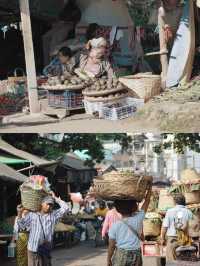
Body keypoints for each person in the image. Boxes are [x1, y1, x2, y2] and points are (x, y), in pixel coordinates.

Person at [17, 192, 69, 266]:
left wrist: (55, 198)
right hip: (33, 249)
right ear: (42, 203)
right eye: (47, 204)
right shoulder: (32, 215)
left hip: (45, 249)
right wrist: (19, 213)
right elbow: (21, 226)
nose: (49, 207)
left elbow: (66, 208)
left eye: (51, 205)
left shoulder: (53, 215)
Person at [107, 183, 152, 266]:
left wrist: (108, 259)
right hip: (136, 254)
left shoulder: (115, 226)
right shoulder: (138, 218)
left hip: (121, 255)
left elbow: (111, 246)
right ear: (134, 207)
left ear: (118, 209)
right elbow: (147, 200)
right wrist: (149, 186)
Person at [43, 0, 81, 66]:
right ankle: (47, 64)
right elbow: (60, 17)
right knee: (45, 37)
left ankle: (51, 65)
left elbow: (74, 20)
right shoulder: (65, 7)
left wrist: (65, 22)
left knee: (54, 41)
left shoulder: (75, 9)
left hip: (68, 25)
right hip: (60, 24)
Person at [160, 193, 193, 262]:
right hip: (185, 240)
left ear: (175, 202)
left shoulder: (169, 211)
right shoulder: (189, 212)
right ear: (184, 202)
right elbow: (192, 227)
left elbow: (164, 227)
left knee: (171, 261)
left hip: (172, 239)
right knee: (184, 261)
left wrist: (162, 238)